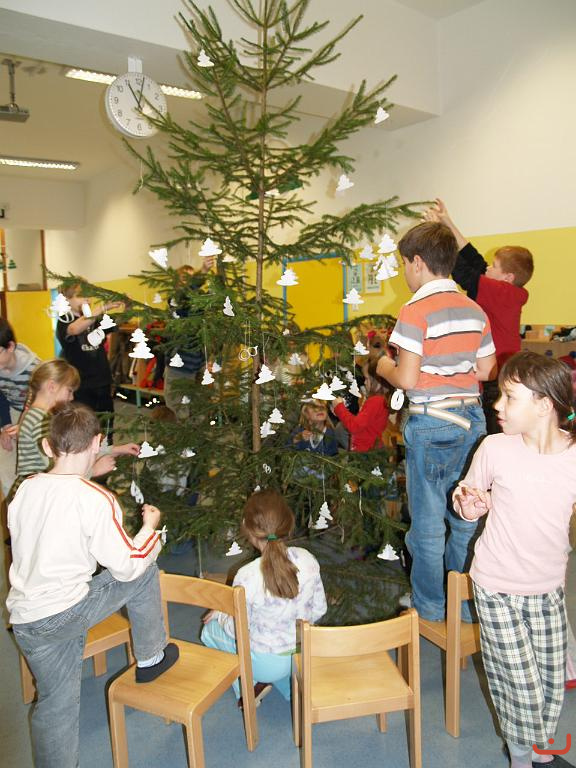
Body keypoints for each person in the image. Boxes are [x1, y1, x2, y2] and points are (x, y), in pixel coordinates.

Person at [6, 402, 179, 768]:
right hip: (66, 612)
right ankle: (151, 656)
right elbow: (128, 566)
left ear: (48, 446)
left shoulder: (25, 488)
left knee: (56, 705)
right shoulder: (96, 499)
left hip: (26, 621)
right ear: (98, 442)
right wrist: (151, 529)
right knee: (144, 569)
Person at [452, 351, 576, 768]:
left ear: (544, 405)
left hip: (548, 587)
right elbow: (466, 496)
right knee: (520, 685)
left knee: (551, 683)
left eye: (509, 397)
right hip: (496, 585)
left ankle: (535, 747)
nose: (497, 405)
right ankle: (521, 758)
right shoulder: (495, 448)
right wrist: (469, 505)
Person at [376, 221, 496, 622]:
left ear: (417, 262)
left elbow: (407, 378)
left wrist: (383, 367)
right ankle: (462, 605)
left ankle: (429, 607)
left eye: (403, 264)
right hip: (472, 420)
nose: (404, 272)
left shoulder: (414, 311)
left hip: (432, 422)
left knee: (427, 527)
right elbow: (487, 369)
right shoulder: (475, 309)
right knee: (464, 519)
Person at [201, 489, 327, 706]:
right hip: (304, 653)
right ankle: (290, 688)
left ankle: (249, 691)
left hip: (265, 665)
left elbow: (237, 629)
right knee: (273, 642)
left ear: (247, 528)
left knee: (209, 632)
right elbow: (319, 610)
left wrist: (220, 616)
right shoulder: (308, 559)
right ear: (289, 522)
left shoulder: (247, 576)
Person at [424, 199, 534, 433]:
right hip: (499, 371)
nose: (488, 269)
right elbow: (473, 259)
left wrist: (440, 235)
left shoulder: (503, 293)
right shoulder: (509, 291)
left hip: (497, 376)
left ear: (508, 277)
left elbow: (464, 273)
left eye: (494, 266)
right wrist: (447, 221)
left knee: (494, 431)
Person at [14, 359, 139, 492]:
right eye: (69, 391)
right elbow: (57, 469)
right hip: (37, 494)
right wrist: (94, 470)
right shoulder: (41, 421)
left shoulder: (38, 416)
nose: (72, 398)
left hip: (36, 490)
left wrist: (115, 450)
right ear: (52, 386)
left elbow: (72, 449)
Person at [56, 282, 123, 415]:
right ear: (67, 300)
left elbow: (119, 321)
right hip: (80, 385)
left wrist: (128, 305)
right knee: (83, 420)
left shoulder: (96, 320)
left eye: (88, 295)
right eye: (80, 296)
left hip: (102, 381)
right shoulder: (64, 320)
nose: (86, 299)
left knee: (106, 419)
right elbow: (74, 329)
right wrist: (102, 308)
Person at [0, 318, 41, 493]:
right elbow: (1, 398)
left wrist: (23, 426)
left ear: (10, 346)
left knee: (32, 462)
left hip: (36, 413)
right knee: (5, 463)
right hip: (11, 411)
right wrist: (5, 426)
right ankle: (13, 502)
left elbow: (40, 403)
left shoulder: (35, 369)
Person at [331, 358, 389, 451]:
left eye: (367, 379)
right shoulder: (380, 399)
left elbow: (355, 426)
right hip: (369, 448)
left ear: (377, 381)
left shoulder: (375, 401)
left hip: (365, 451)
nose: (365, 382)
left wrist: (339, 406)